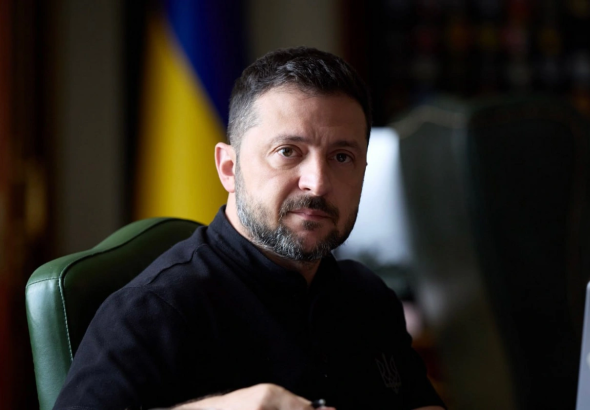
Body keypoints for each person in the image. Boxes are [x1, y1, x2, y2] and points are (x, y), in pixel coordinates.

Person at [53, 47, 446, 410]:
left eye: (342, 157)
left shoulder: (367, 297)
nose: (318, 183)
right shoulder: (152, 310)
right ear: (229, 169)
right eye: (287, 152)